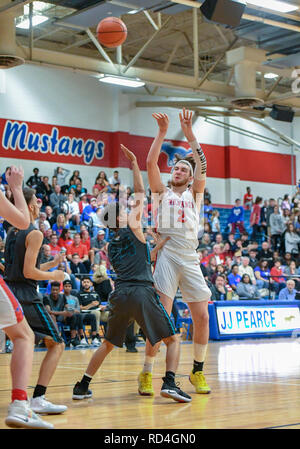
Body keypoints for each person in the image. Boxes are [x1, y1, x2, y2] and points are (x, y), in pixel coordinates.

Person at [72, 144, 191, 403]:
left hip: (120, 294)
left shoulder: (110, 245)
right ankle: (169, 383)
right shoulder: (134, 225)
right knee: (173, 340)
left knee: (108, 344)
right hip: (141, 292)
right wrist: (135, 163)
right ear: (121, 217)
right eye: (124, 211)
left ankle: (82, 385)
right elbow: (140, 192)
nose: (128, 211)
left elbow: (144, 258)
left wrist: (159, 245)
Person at [139, 108, 212, 397]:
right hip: (167, 255)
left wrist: (190, 132)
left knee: (202, 318)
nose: (178, 170)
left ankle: (197, 371)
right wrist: (161, 133)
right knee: (162, 318)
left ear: (191, 178)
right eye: (176, 168)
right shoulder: (162, 193)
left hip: (190, 257)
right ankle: (146, 371)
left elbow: (202, 165)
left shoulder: (195, 194)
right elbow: (149, 163)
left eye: (185, 169)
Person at [4, 187, 67, 418]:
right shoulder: (35, 233)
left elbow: (23, 268)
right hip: (27, 296)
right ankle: (38, 398)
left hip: (9, 293)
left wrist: (52, 264)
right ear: (30, 206)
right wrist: (55, 276)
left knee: (23, 342)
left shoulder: (12, 231)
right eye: (38, 203)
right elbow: (29, 272)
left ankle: (25, 396)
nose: (40, 205)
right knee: (57, 344)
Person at [0, 167, 54, 429]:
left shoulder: (11, 234)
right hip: (23, 291)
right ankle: (29, 402)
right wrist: (17, 188)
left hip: (11, 284)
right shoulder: (31, 230)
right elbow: (28, 271)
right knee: (29, 337)